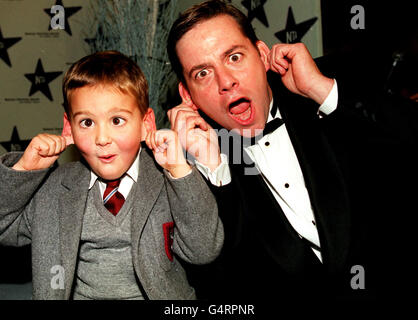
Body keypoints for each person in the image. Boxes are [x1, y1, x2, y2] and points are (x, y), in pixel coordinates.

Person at [166, 0, 415, 301]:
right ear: (186, 95)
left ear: (261, 54)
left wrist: (322, 91)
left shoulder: (319, 88)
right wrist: (214, 171)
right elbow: (223, 288)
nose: (226, 82)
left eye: (233, 57)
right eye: (202, 73)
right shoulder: (193, 164)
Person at [0, 51, 223, 300]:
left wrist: (180, 171)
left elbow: (203, 250)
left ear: (145, 124)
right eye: (86, 123)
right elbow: (3, 227)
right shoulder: (52, 189)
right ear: (69, 127)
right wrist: (24, 171)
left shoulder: (168, 181)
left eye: (117, 120)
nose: (102, 139)